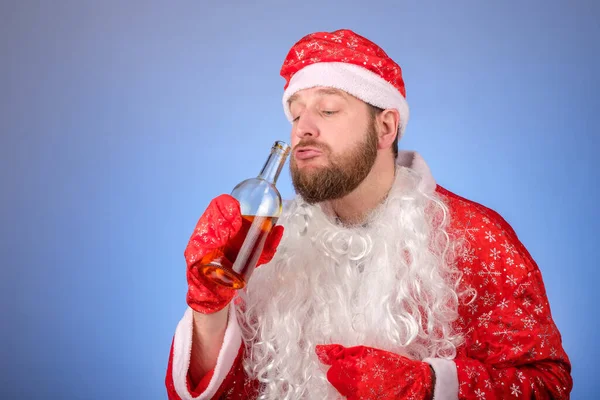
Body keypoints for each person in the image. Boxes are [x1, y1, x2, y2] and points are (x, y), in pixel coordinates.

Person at [165, 29, 572, 399]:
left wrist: (429, 387)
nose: (302, 128)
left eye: (327, 110)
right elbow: (230, 391)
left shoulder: (474, 235)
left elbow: (547, 385)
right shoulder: (268, 242)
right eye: (295, 113)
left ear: (386, 128)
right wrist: (210, 309)